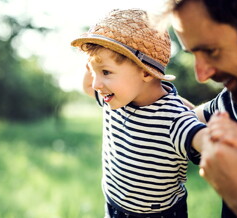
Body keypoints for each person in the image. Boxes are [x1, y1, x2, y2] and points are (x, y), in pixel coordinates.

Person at [71, 9, 207, 218]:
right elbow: (89, 87)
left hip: (158, 214)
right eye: (93, 72)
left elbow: (202, 139)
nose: (97, 84)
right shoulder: (114, 99)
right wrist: (93, 60)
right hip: (114, 204)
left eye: (106, 72)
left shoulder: (174, 117)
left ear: (145, 71)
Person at [158, 0, 237, 217]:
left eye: (211, 51)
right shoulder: (232, 103)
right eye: (192, 54)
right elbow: (181, 118)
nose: (201, 75)